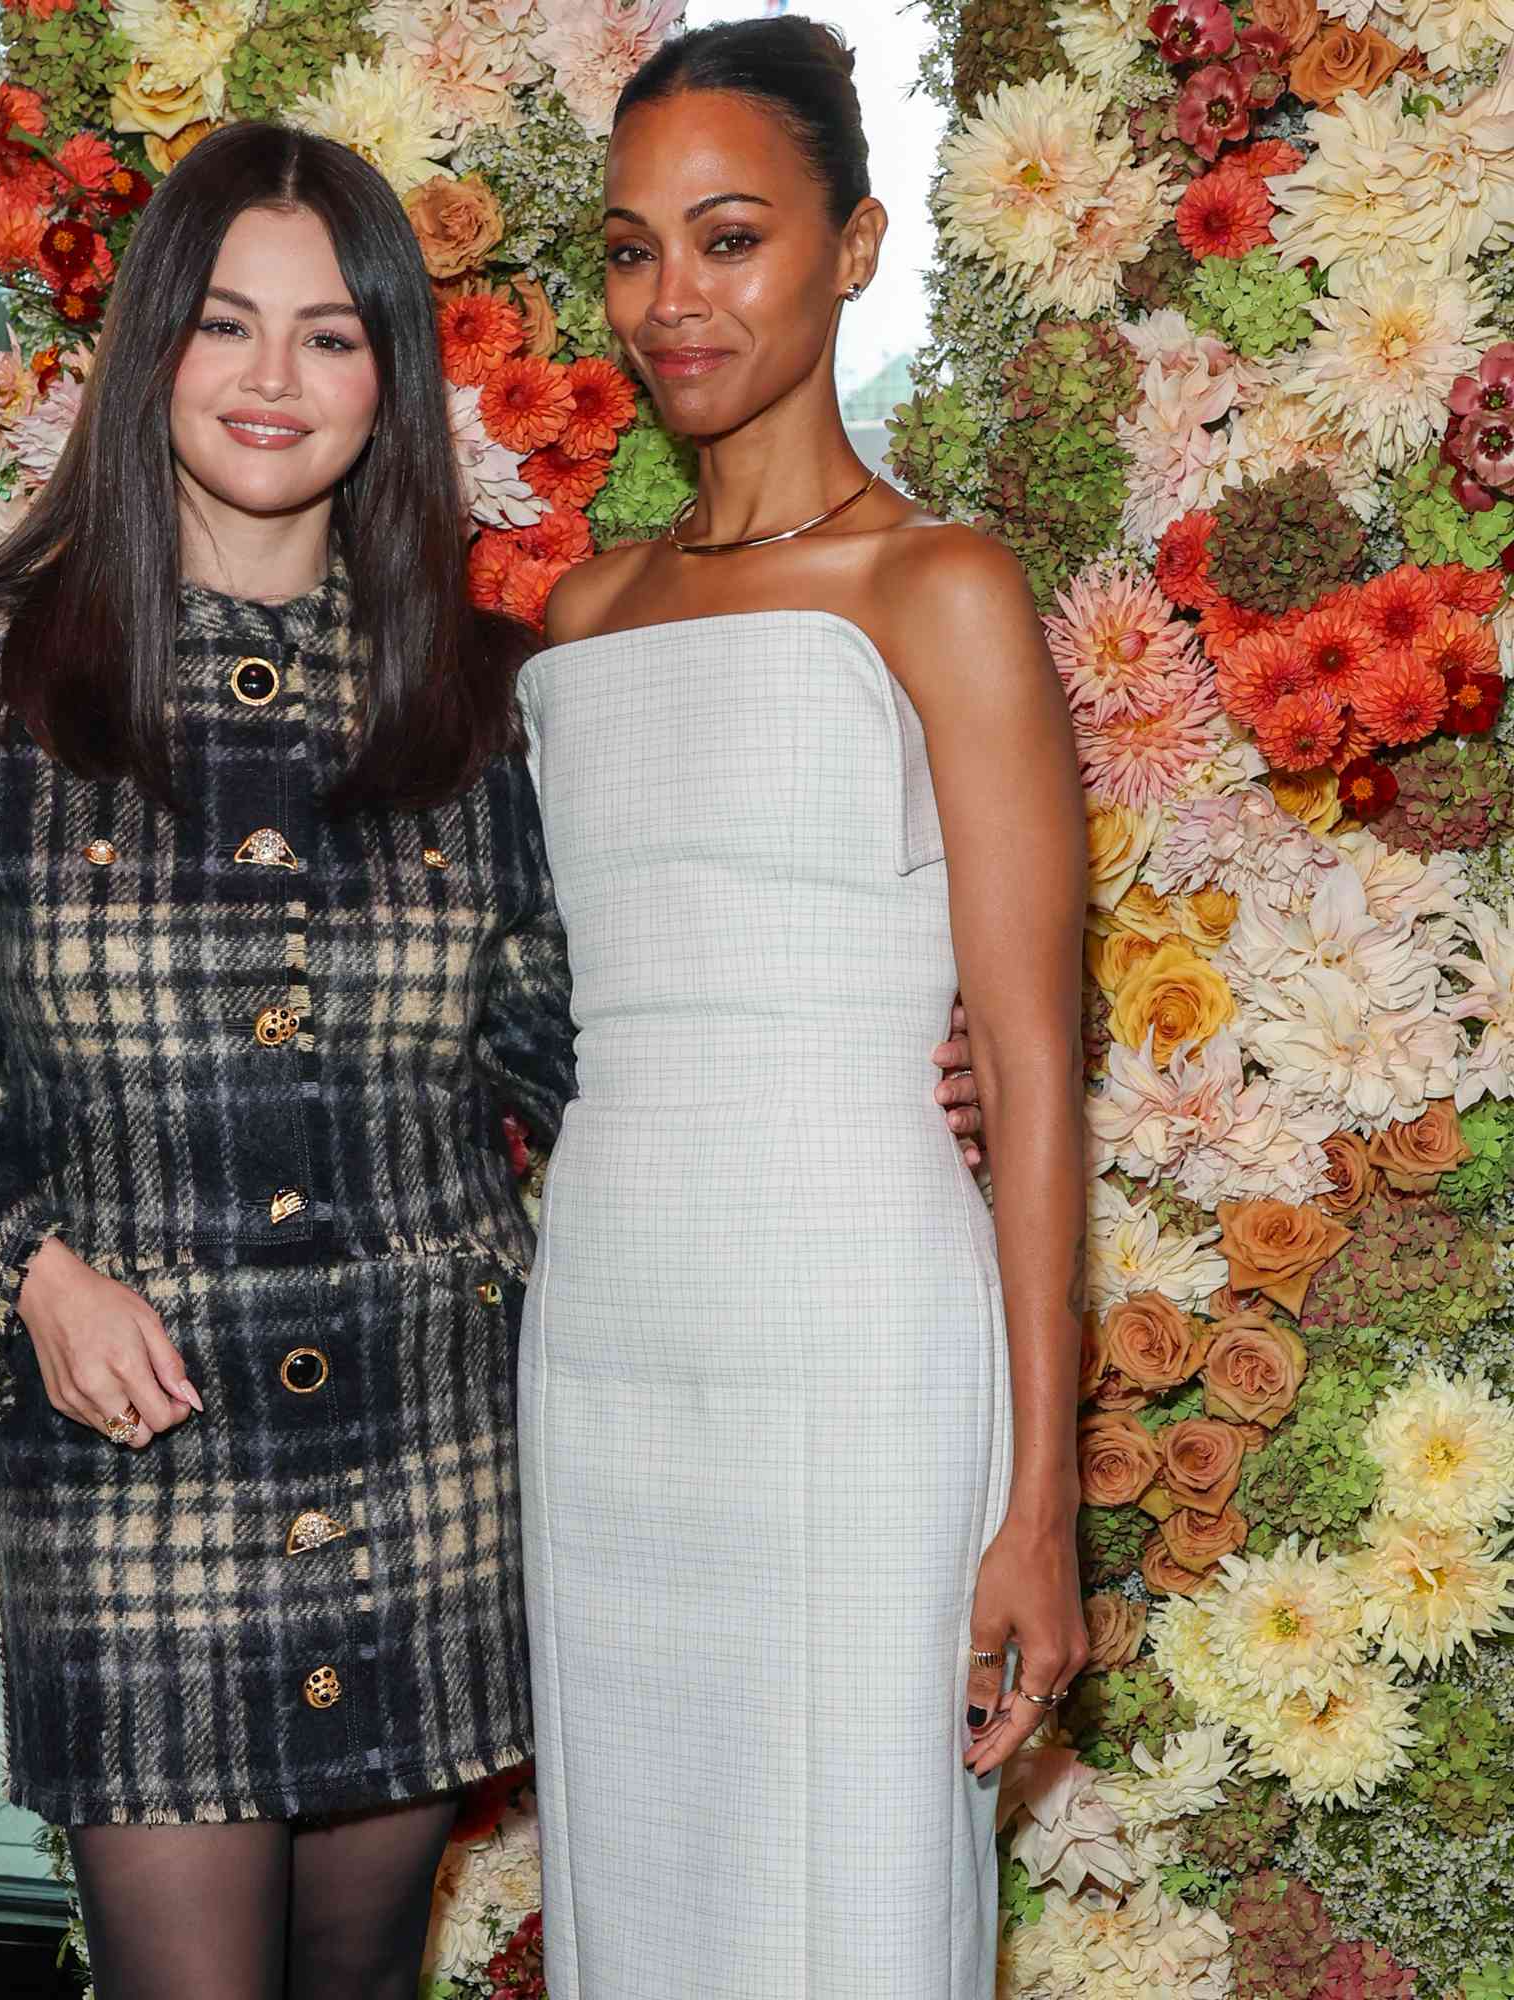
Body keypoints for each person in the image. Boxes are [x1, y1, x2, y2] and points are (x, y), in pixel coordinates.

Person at [0, 117, 989, 2000]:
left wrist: (893, 1058)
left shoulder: (480, 694)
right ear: (150, 356)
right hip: (140, 1480)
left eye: (333, 335)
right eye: (222, 325)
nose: (275, 379)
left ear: (389, 380)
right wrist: (27, 1274)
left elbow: (591, 1025)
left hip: (428, 1460)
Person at [514, 20, 1089, 1999]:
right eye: (630, 247)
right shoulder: (578, 618)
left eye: (731, 236)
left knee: (850, 1903)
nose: (673, 299)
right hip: (600, 1353)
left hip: (860, 1359)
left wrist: (1041, 1502)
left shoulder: (936, 587)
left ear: (852, 247)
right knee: (636, 1898)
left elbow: (1023, 1062)